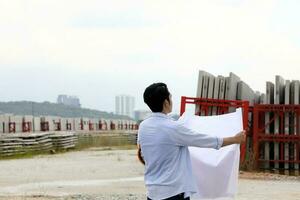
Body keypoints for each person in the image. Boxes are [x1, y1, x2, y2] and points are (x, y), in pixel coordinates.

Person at [137, 83, 246, 200]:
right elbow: (205, 140)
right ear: (166, 102)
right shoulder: (173, 128)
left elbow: (143, 152)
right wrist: (234, 139)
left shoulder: (143, 126)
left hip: (152, 192)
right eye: (170, 97)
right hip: (173, 193)